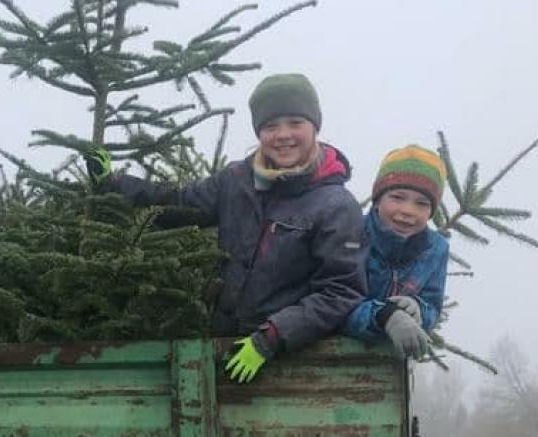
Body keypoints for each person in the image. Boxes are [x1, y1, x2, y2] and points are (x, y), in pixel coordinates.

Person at [85, 73, 367, 383]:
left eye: (295, 122)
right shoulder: (236, 181)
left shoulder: (337, 206)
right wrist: (113, 184)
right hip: (226, 347)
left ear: (315, 125)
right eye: (271, 126)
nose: (283, 135)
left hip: (293, 361)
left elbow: (341, 291)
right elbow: (180, 204)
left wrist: (272, 336)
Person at [343, 145, 449, 359]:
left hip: (390, 367)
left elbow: (433, 304)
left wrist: (419, 309)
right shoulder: (349, 236)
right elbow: (334, 305)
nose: (408, 211)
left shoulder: (436, 250)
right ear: (378, 198)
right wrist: (384, 316)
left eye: (422, 203)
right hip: (338, 359)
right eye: (398, 197)